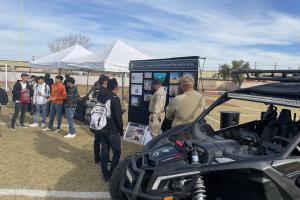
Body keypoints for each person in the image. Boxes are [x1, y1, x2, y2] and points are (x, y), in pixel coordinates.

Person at [98, 78, 123, 182]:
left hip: (102, 127)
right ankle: (112, 173)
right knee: (117, 151)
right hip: (112, 129)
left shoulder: (102, 95)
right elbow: (118, 118)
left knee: (105, 150)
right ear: (116, 87)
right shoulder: (114, 98)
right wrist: (121, 131)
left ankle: (105, 173)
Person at [92, 74, 110, 164]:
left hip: (94, 117)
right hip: (101, 118)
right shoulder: (104, 91)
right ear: (105, 82)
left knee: (97, 139)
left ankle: (97, 159)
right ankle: (103, 160)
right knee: (103, 140)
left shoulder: (96, 90)